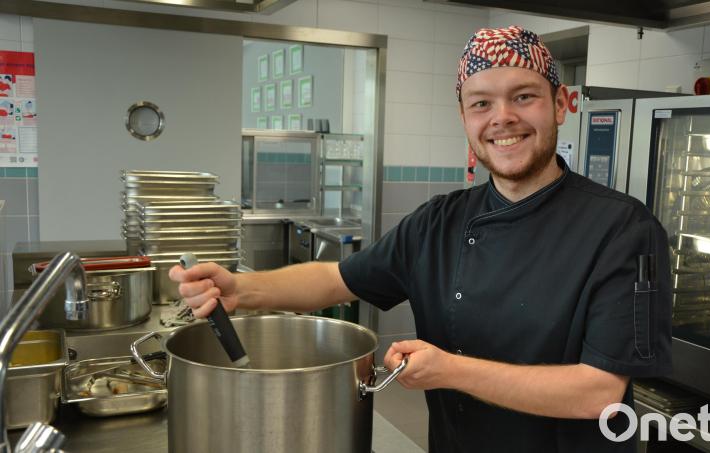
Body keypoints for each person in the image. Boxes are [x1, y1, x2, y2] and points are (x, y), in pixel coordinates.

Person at [170, 25, 672, 453]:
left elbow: (597, 393)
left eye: (524, 96)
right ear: (465, 119)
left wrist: (449, 370)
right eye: (482, 103)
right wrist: (241, 291)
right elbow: (336, 279)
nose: (503, 117)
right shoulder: (440, 221)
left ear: (560, 105)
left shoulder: (623, 229)